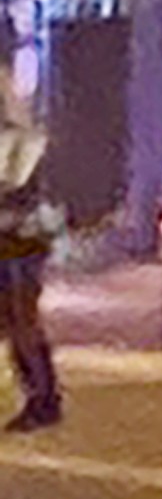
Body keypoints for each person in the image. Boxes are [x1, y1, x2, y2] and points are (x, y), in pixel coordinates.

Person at [0, 84, 61, 432]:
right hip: (18, 241)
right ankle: (42, 398)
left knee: (22, 323)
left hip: (17, 243)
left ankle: (43, 399)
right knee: (18, 323)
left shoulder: (22, 144)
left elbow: (15, 189)